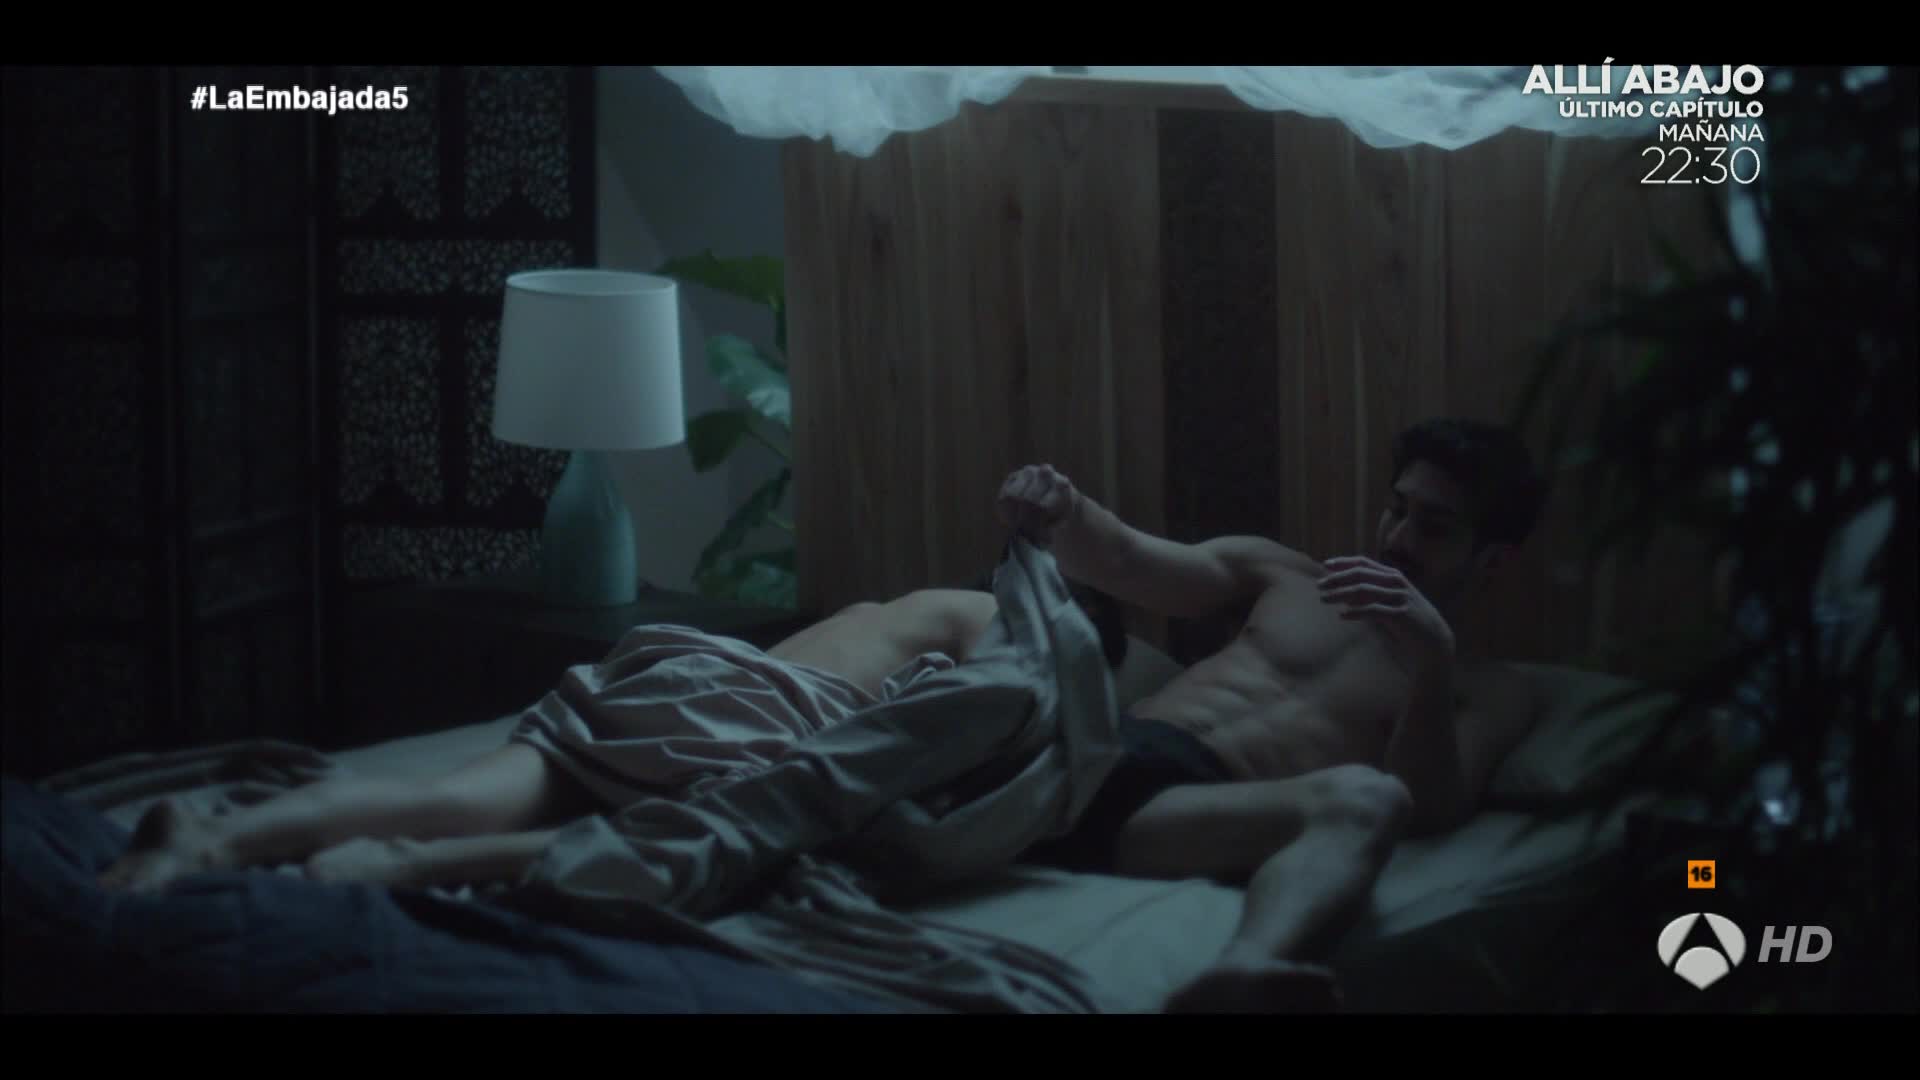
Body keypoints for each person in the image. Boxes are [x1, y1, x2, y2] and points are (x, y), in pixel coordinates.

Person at [1001, 417, 1548, 1012]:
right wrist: (1066, 509)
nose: (1398, 538)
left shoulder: (1486, 688)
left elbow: (1429, 809)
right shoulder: (1286, 575)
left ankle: (1245, 968)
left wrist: (1431, 661)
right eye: (1397, 509)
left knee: (1372, 799)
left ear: (1493, 560)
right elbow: (1125, 558)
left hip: (1179, 812)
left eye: (1433, 527)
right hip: (1090, 755)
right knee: (986, 651)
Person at [97, 583, 1126, 896]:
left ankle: (213, 839)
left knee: (451, 794)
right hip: (751, 713)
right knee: (699, 842)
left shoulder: (899, 602)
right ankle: (400, 870)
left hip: (677, 677)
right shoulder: (1002, 627)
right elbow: (937, 725)